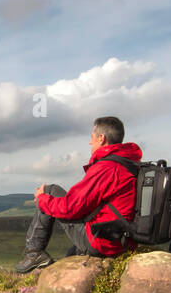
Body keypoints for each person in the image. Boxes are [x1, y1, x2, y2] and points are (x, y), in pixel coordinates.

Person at [13, 115, 142, 273]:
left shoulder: (107, 168)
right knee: (70, 254)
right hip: (122, 240)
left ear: (101, 138)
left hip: (104, 242)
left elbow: (70, 208)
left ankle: (33, 253)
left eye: (92, 136)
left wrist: (42, 199)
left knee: (50, 191)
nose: (90, 141)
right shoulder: (129, 165)